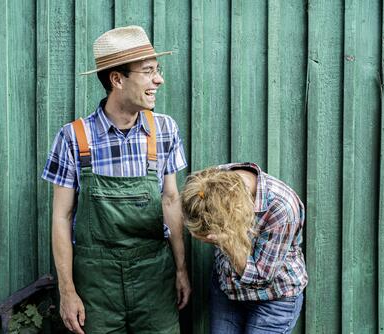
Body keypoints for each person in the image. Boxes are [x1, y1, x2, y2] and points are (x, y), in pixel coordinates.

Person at [42, 25, 190, 334]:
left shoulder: (164, 130)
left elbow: (171, 199)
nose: (158, 79)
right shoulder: (73, 138)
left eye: (157, 70)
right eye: (148, 71)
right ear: (117, 79)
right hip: (97, 287)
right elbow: (61, 216)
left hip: (154, 281)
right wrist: (67, 291)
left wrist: (180, 269)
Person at [181, 163, 308, 334]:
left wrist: (227, 243)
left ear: (239, 209)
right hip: (227, 288)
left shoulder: (281, 207)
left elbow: (261, 277)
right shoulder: (214, 181)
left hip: (272, 297)